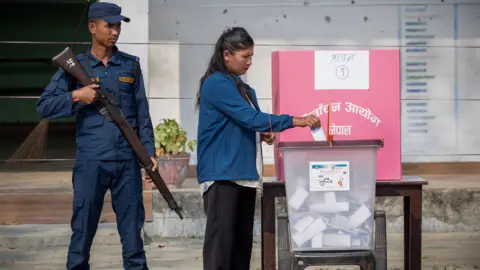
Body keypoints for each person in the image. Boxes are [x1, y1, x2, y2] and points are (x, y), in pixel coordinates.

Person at [36, 2, 155, 270]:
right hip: (91, 161)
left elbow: (142, 114)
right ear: (92, 27)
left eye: (118, 26)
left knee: (133, 240)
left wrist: (149, 153)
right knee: (82, 233)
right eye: (109, 25)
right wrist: (77, 95)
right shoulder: (74, 66)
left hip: (127, 161)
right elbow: (44, 106)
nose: (115, 31)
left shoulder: (130, 66)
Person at [195, 26, 321, 270]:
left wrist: (262, 134)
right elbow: (250, 119)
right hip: (223, 176)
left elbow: (248, 122)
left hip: (245, 175)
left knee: (241, 248)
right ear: (226, 55)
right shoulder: (216, 84)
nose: (249, 62)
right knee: (221, 251)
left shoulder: (243, 88)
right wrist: (297, 120)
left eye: (251, 55)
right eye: (245, 56)